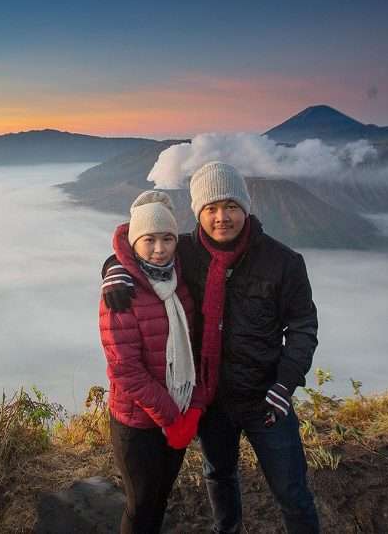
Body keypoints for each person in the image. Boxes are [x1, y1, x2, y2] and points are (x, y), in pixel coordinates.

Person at [102, 162, 320, 534]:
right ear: (198, 212)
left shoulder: (282, 262)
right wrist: (112, 269)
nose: (222, 217)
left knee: (292, 490)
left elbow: (302, 327)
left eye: (231, 206)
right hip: (212, 401)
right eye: (211, 208)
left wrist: (285, 385)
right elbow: (142, 249)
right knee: (219, 476)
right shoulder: (185, 252)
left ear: (246, 207)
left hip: (265, 397)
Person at [99, 190, 206, 534]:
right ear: (134, 242)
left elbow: (194, 345)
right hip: (138, 424)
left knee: (161, 496)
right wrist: (173, 418)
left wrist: (191, 410)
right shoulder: (121, 292)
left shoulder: (179, 283)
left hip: (177, 414)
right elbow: (124, 368)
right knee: (141, 502)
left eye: (167, 239)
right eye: (149, 240)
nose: (159, 249)